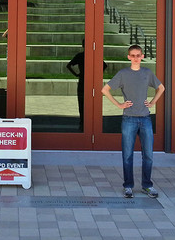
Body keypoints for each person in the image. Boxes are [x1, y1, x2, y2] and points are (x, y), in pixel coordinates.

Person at [101, 44, 165, 198]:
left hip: (145, 118)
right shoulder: (123, 74)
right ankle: (128, 186)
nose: (136, 58)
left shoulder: (147, 73)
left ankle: (147, 185)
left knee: (148, 155)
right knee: (127, 155)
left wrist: (152, 102)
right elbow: (105, 90)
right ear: (128, 57)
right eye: (133, 55)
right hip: (129, 119)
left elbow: (161, 88)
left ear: (142, 56)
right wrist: (119, 105)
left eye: (138, 55)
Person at [66, 38, 107, 131]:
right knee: (90, 102)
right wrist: (97, 75)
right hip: (90, 81)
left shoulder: (80, 56)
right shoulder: (93, 56)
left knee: (82, 102)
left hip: (82, 80)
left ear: (83, 46)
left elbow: (69, 65)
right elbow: (104, 66)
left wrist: (76, 74)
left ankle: (83, 122)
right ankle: (89, 122)